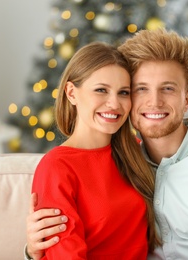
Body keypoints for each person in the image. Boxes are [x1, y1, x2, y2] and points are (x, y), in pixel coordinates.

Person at [25, 28, 188, 260]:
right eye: (141, 89)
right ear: (71, 93)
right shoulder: (120, 158)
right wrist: (33, 252)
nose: (154, 102)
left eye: (168, 89)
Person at [28, 41, 160, 259]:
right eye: (101, 90)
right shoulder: (57, 167)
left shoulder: (137, 153)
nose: (114, 103)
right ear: (71, 93)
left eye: (123, 92)